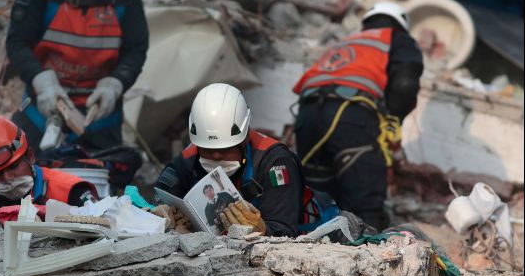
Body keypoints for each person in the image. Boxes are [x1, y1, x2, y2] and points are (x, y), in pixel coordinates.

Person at [6, 0, 149, 154]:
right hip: (42, 115)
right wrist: (42, 82)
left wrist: (115, 84)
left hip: (100, 123)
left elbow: (136, 49)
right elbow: (17, 43)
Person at [153, 83, 366, 238]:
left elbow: (285, 230)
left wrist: (262, 229)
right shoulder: (188, 159)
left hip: (322, 232)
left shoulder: (275, 161)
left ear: (244, 137)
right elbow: (159, 196)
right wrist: (160, 212)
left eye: (225, 149)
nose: (216, 157)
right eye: (208, 149)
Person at [292, 2, 424, 231]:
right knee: (364, 203)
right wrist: (393, 120)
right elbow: (405, 83)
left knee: (317, 200)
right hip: (349, 114)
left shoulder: (346, 42)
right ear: (401, 25)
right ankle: (367, 254)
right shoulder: (396, 38)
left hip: (308, 115)